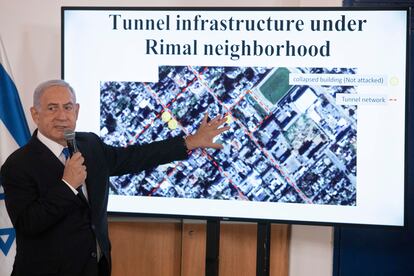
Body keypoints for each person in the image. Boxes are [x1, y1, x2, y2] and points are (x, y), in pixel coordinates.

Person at [0, 79, 229, 276]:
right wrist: (67, 185)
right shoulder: (18, 165)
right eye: (52, 108)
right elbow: (28, 224)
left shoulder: (89, 144)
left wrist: (189, 142)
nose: (62, 116)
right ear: (35, 114)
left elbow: (135, 157)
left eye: (67, 107)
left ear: (77, 111)